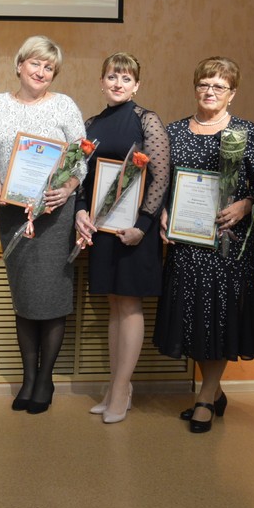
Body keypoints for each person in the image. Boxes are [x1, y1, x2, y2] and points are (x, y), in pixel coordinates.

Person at [153, 57, 254, 433]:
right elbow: (163, 184)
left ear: (232, 94)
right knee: (194, 318)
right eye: (204, 83)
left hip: (227, 244)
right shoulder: (173, 132)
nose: (210, 91)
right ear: (195, 86)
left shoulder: (244, 132)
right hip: (187, 242)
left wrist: (246, 203)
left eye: (219, 86)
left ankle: (205, 398)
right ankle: (213, 389)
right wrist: (163, 214)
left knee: (218, 318)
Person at [0, 36, 87, 414]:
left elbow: (82, 159)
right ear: (20, 64)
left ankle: (46, 380)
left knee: (52, 297)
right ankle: (28, 378)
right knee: (25, 299)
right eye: (35, 64)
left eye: (49, 68)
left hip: (55, 214)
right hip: (13, 213)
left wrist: (69, 189)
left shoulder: (64, 106)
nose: (41, 72)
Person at [74, 52, 169, 424]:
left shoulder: (147, 120)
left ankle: (120, 390)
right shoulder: (91, 123)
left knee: (129, 307)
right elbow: (80, 175)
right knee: (114, 305)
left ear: (137, 86)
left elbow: (160, 174)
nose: (118, 84)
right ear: (101, 82)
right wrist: (81, 210)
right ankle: (118, 387)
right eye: (112, 77)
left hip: (134, 231)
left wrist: (143, 226)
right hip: (103, 229)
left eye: (126, 79)